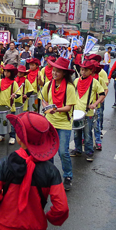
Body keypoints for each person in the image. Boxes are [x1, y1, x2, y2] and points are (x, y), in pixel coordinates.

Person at [0, 112, 69, 230]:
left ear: (19, 138)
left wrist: (1, 202)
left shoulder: (5, 163)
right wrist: (48, 217)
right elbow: (61, 208)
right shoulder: (51, 170)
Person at [38, 57, 77, 191]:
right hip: (50, 121)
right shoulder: (49, 84)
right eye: (54, 71)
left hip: (64, 123)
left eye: (58, 72)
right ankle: (51, 174)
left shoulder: (70, 88)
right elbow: (43, 99)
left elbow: (69, 107)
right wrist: (46, 106)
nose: (54, 73)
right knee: (49, 151)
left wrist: (56, 109)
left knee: (63, 152)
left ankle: (68, 176)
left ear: (64, 73)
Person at [70, 60, 105, 162]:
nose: (83, 72)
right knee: (76, 133)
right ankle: (78, 150)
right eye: (82, 69)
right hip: (76, 112)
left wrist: (95, 104)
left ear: (91, 71)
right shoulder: (76, 81)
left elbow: (102, 94)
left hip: (88, 113)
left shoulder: (95, 82)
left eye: (86, 70)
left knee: (87, 134)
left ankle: (89, 152)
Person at [85, 54, 109, 151]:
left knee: (96, 125)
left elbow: (105, 90)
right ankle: (84, 139)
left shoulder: (99, 79)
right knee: (85, 124)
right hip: (85, 106)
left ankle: (98, 142)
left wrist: (101, 99)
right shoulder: (83, 79)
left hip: (96, 106)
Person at [0, 64, 21, 144]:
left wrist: (15, 95)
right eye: (5, 71)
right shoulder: (1, 81)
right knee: (1, 121)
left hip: (10, 106)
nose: (6, 73)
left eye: (8, 71)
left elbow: (18, 93)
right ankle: (2, 134)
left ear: (11, 73)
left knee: (11, 123)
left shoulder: (14, 83)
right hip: (1, 105)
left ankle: (12, 136)